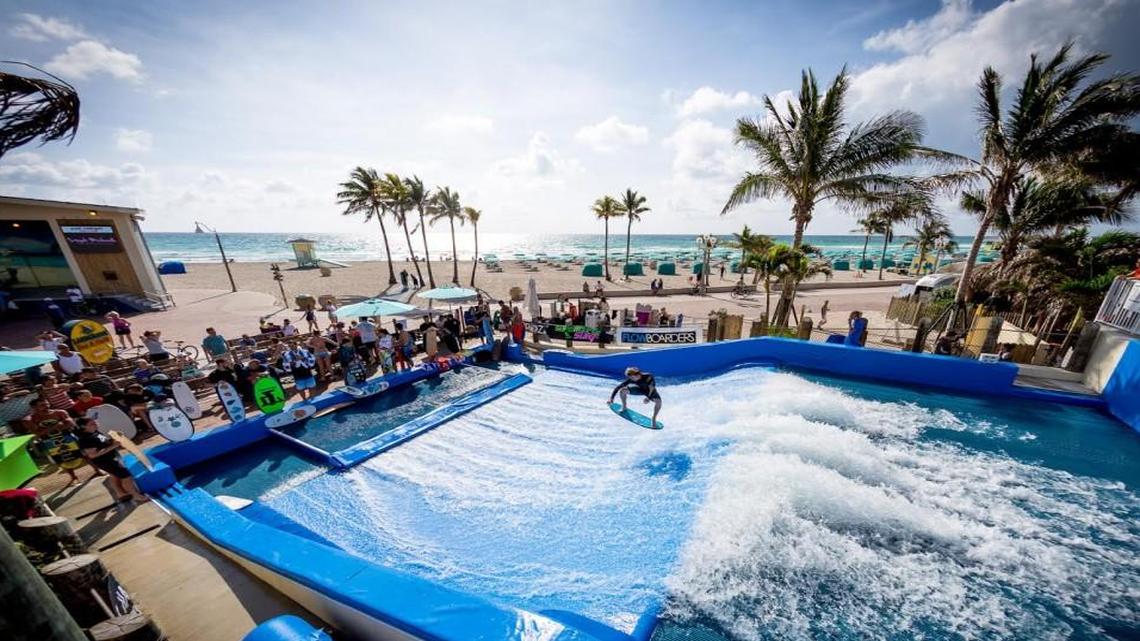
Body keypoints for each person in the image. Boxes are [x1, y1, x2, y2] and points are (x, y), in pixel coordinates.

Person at [75, 418, 149, 503]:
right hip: (104, 461)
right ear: (83, 426)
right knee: (126, 476)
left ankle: (120, 493)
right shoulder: (85, 439)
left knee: (114, 475)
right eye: (92, 424)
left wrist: (114, 438)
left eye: (95, 422)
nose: (96, 424)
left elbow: (103, 443)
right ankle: (135, 495)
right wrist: (113, 446)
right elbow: (93, 455)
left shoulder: (95, 432)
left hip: (110, 458)